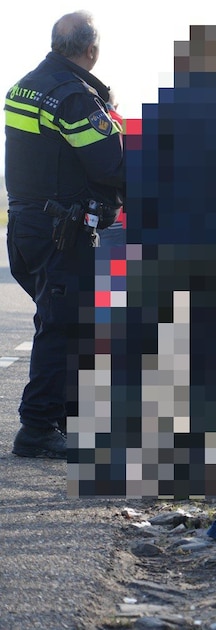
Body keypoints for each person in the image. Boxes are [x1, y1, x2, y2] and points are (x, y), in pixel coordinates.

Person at [4, 11, 125, 459]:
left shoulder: (25, 85)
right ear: (91, 50)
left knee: (70, 322)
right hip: (61, 229)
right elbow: (111, 166)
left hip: (28, 226)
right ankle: (36, 428)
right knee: (61, 326)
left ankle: (64, 418)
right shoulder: (73, 97)